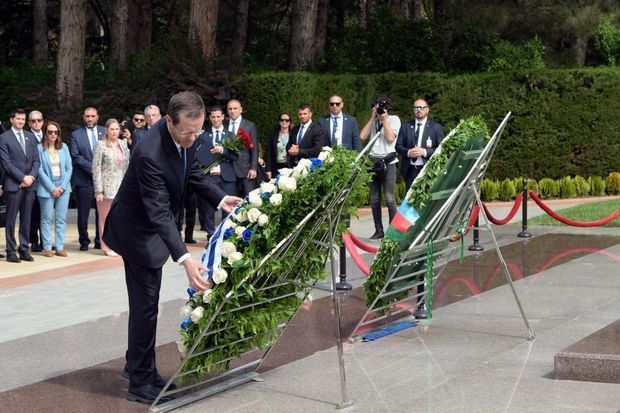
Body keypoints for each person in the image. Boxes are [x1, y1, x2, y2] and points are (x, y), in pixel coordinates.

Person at [103, 91, 241, 404]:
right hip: (137, 232)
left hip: (152, 227)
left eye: (198, 131)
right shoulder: (148, 153)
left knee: (147, 304)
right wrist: (185, 259)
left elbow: (191, 173)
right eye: (187, 132)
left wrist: (220, 198)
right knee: (146, 306)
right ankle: (140, 382)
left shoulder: (187, 138)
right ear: (169, 121)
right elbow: (159, 212)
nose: (193, 139)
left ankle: (135, 364)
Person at [0, 108, 40, 262]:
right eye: (18, 118)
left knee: (26, 219)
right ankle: (11, 251)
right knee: (10, 220)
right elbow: (6, 163)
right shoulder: (4, 138)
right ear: (11, 119)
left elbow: (36, 160)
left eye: (23, 119)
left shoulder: (31, 136)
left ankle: (23, 249)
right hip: (13, 185)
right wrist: (22, 177)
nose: (21, 121)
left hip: (30, 185)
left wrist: (31, 177)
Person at [360, 96, 401, 240]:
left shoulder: (394, 119)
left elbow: (390, 138)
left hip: (388, 161)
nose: (379, 110)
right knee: (374, 199)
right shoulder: (373, 120)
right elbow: (362, 136)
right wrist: (372, 118)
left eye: (381, 107)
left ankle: (393, 232)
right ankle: (378, 230)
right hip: (373, 161)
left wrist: (384, 120)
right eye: (376, 107)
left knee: (389, 198)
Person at [196, 105, 238, 240]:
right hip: (209, 177)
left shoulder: (230, 135)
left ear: (223, 117)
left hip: (227, 178)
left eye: (218, 116)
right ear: (209, 118)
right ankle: (211, 236)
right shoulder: (203, 136)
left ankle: (225, 236)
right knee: (208, 208)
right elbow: (197, 156)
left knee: (228, 209)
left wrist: (223, 151)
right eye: (213, 117)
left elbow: (236, 156)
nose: (215, 119)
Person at [93, 118, 130, 257]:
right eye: (111, 129)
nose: (114, 132)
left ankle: (118, 244)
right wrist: (99, 190)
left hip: (121, 188)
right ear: (107, 131)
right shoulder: (101, 145)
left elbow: (127, 166)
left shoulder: (123, 144)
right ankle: (106, 246)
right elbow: (96, 168)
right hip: (106, 189)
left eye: (116, 129)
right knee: (105, 219)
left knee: (119, 218)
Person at [70, 106, 105, 251]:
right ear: (83, 117)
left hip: (102, 182)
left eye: (92, 116)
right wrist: (94, 169)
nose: (90, 119)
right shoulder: (76, 135)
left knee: (101, 213)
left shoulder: (105, 131)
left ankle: (99, 240)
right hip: (84, 180)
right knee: (83, 214)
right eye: (87, 116)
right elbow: (76, 156)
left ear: (97, 117)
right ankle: (84, 241)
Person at [36, 121, 72, 257]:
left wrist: (61, 187)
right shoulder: (39, 148)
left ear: (59, 134)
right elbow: (39, 170)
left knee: (61, 219)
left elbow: (69, 168)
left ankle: (59, 247)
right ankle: (47, 247)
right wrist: (52, 188)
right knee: (46, 218)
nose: (53, 134)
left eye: (55, 132)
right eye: (50, 132)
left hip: (63, 187)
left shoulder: (64, 147)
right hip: (46, 188)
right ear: (45, 133)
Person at [396, 99, 445, 190]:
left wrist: (424, 152)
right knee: (410, 196)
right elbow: (398, 146)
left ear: (427, 109)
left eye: (421, 107)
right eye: (416, 108)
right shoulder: (405, 126)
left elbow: (442, 149)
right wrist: (408, 152)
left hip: (428, 169)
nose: (418, 110)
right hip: (410, 170)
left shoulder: (435, 127)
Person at [224, 99, 259, 197]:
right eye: (230, 109)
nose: (232, 111)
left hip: (245, 169)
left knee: (248, 199)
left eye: (235, 108)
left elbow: (254, 149)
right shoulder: (224, 125)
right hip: (228, 170)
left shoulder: (250, 125)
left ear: (240, 109)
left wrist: (253, 168)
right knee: (230, 200)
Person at [286, 103, 325, 167]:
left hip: (309, 167)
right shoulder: (295, 128)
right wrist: (291, 149)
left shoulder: (317, 129)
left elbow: (317, 150)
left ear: (310, 114)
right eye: (300, 114)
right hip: (293, 166)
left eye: (305, 114)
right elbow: (289, 145)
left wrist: (299, 151)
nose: (302, 116)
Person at [27, 110, 45, 252]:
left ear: (43, 122)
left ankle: (45, 241)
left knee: (46, 214)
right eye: (33, 121)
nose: (36, 123)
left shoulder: (49, 134)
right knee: (34, 213)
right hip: (33, 180)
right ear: (29, 123)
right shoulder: (26, 137)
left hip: (47, 182)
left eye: (38, 120)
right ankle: (33, 241)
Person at [266, 112, 293, 178]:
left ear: (290, 122)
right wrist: (268, 170)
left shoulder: (294, 134)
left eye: (287, 120)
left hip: (290, 167)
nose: (284, 122)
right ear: (279, 121)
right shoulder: (273, 135)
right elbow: (269, 153)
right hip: (275, 167)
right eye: (282, 120)